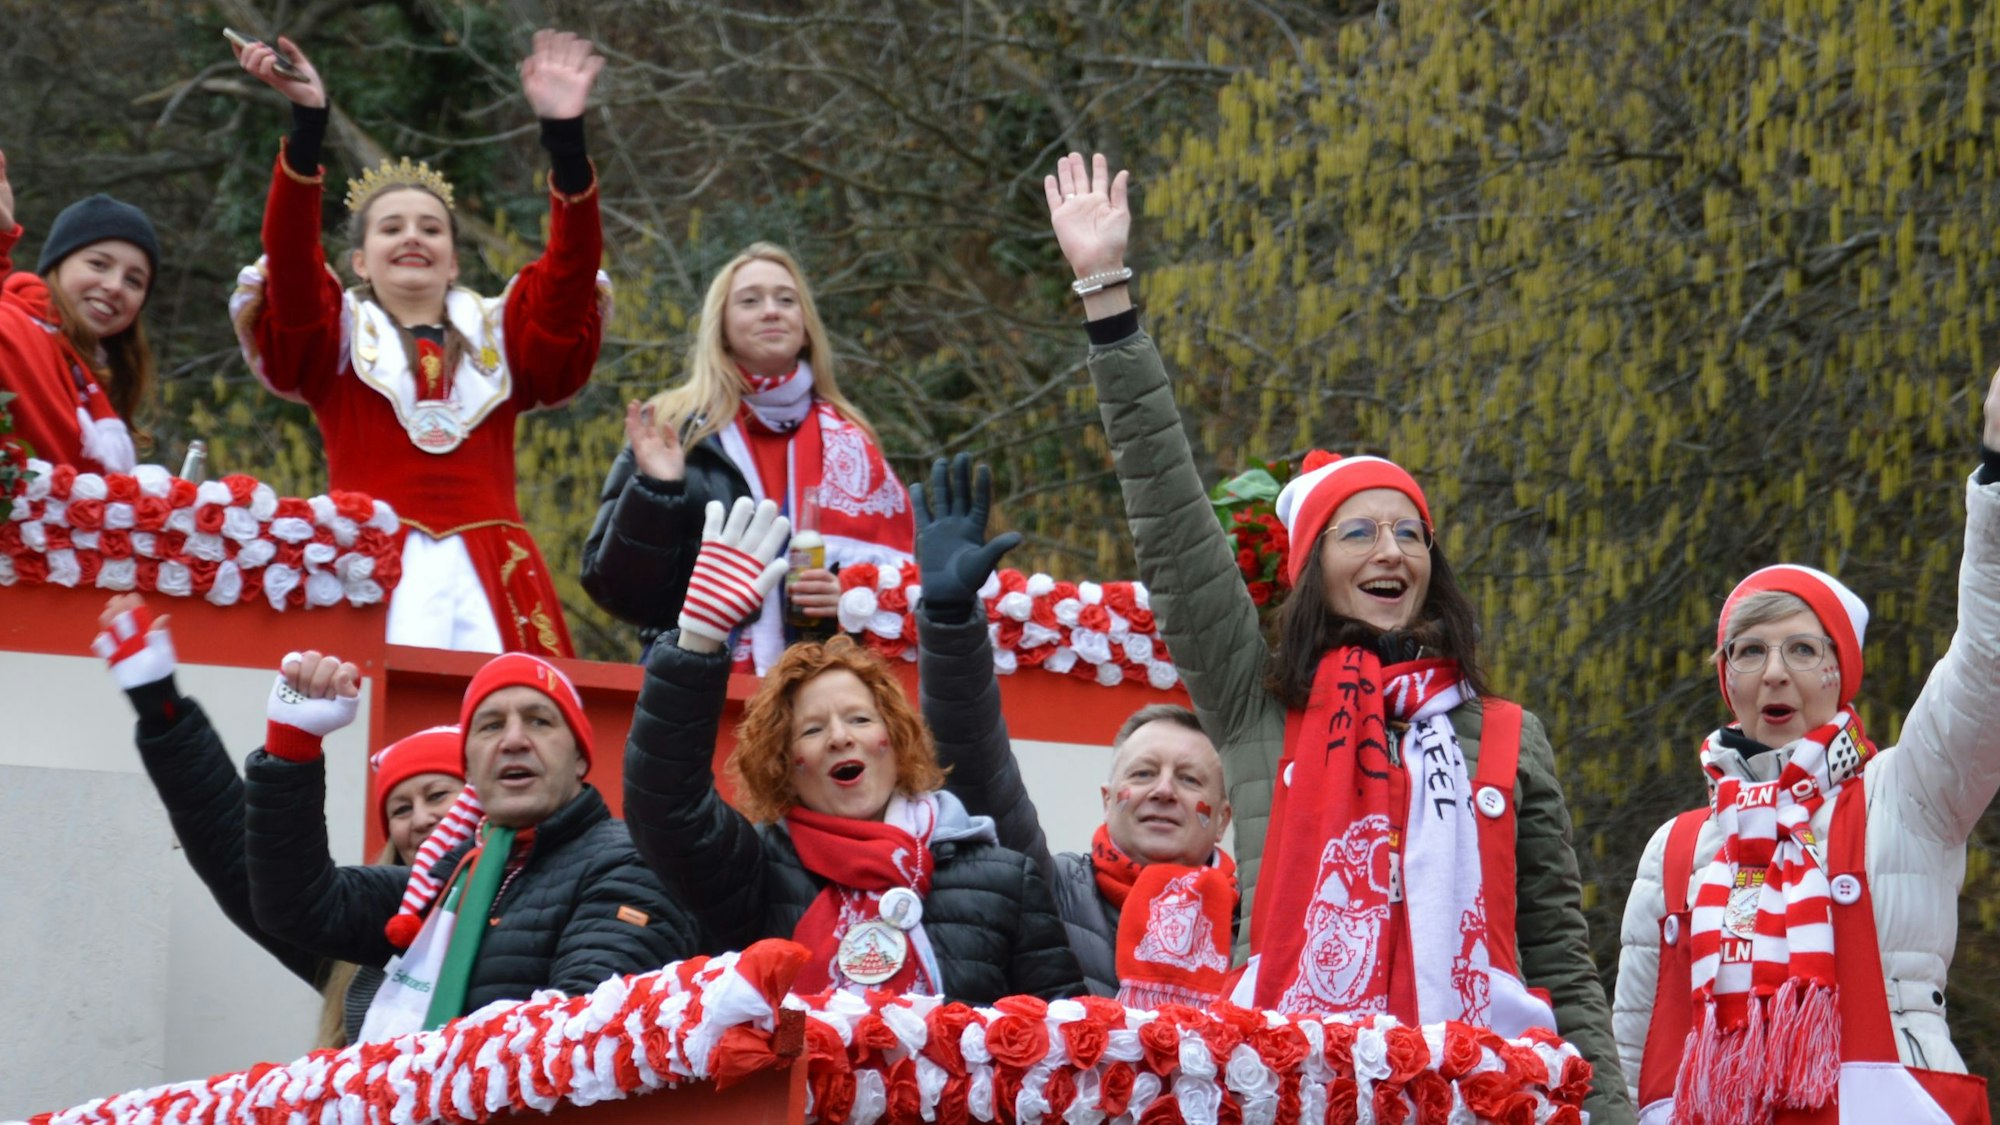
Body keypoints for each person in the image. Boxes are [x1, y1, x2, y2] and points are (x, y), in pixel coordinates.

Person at [1044, 152, 1630, 1122]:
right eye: (1357, 533)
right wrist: (1106, 298)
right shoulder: (1257, 701)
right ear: (1310, 568)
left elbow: (1561, 963)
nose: (1389, 550)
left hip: (1474, 1095)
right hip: (1291, 1090)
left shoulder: (1505, 735)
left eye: (1409, 534)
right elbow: (1170, 520)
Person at [1613, 373, 2000, 1124]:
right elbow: (1631, 1054)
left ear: (1839, 673)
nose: (1775, 672)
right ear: (1728, 680)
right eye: (1749, 651)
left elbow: (1987, 662)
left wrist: (1996, 473)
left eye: (1801, 648)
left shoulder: (1908, 792)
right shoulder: (1674, 849)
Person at [228, 31, 609, 655]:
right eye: (391, 228)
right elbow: (291, 262)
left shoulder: (502, 333)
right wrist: (308, 124)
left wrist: (565, 141)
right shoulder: (335, 338)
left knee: (509, 711)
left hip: (497, 576)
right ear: (359, 261)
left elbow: (569, 280)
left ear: (454, 262)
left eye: (431, 229)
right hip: (364, 566)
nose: (412, 237)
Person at [621, 497, 1082, 1003]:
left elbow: (1060, 1032)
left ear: (896, 740)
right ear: (783, 764)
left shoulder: (1004, 879)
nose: (840, 737)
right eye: (812, 730)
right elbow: (666, 806)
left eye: (860, 719)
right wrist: (697, 641)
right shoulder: (754, 872)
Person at [908, 453, 1237, 1002]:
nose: (1163, 790)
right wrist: (949, 620)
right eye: (1144, 773)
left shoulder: (1258, 931)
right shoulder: (1044, 889)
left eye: (1189, 779)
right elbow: (979, 768)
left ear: (1223, 818)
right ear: (1108, 799)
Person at [244, 648, 694, 1037]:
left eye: (539, 721)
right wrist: (292, 748)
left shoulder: (631, 862)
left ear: (579, 758)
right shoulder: (442, 880)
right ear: (470, 771)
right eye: (490, 726)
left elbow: (583, 1036)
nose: (513, 740)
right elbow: (297, 905)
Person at [92, 594, 468, 1047]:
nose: (421, 818)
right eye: (400, 810)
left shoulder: (527, 890)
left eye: (438, 795)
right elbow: (240, 866)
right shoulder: (366, 921)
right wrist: (163, 713)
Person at [580, 243, 913, 669]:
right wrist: (657, 492)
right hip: (695, 678)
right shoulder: (672, 427)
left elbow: (905, 587)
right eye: (750, 301)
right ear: (720, 327)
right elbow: (618, 592)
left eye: (786, 300)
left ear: (806, 327)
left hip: (821, 685)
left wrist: (847, 596)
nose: (771, 311)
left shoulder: (853, 439)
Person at [0, 149, 156, 474]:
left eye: (134, 280)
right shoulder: (16, 326)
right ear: (56, 266)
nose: (114, 286)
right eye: (98, 264)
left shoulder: (99, 379)